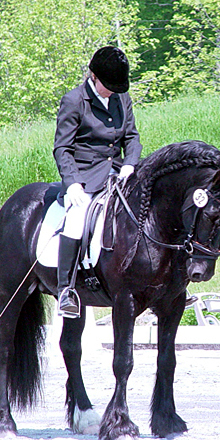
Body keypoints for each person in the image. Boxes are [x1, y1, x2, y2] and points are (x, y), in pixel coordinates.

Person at [53, 46, 142, 318]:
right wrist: (72, 184)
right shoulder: (74, 101)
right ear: (93, 76)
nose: (112, 92)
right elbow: (62, 148)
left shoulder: (121, 97)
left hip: (119, 174)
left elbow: (132, 138)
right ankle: (66, 290)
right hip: (85, 178)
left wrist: (129, 164)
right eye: (108, 86)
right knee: (77, 217)